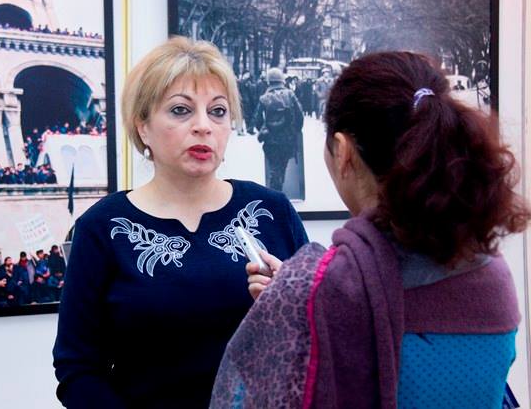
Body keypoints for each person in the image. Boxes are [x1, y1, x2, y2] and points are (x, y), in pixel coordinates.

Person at [211, 51, 529, 407]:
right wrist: (297, 292)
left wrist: (291, 299)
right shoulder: (492, 272)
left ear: (343, 151)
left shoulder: (311, 293)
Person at [53, 37, 308, 409]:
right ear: (143, 126)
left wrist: (294, 304)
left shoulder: (272, 212)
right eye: (180, 110)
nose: (203, 126)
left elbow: (320, 344)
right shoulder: (103, 228)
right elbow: (77, 368)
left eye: (217, 111)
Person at [252, 67, 304, 191]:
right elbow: (300, 115)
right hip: (288, 139)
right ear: (282, 80)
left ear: (269, 81)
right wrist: (295, 130)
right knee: (282, 167)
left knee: (274, 169)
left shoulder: (264, 98)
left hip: (271, 141)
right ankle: (278, 191)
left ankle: (276, 191)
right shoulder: (290, 94)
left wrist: (265, 130)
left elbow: (257, 120)